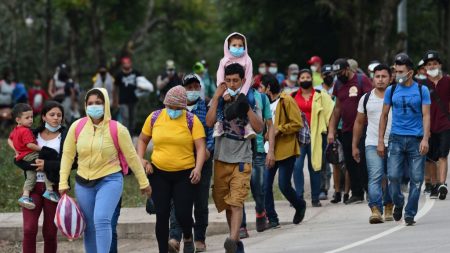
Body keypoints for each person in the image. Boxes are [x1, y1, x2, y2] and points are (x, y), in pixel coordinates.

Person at [59, 88, 152, 253]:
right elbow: (67, 155)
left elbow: (132, 157)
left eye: (99, 103)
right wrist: (63, 181)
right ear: (85, 105)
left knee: (101, 219)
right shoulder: (77, 127)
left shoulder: (118, 129)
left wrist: (143, 182)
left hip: (110, 180)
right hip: (83, 183)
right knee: (89, 226)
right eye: (90, 103)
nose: (94, 106)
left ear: (106, 104)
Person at [138, 85, 205, 253]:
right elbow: (142, 139)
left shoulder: (191, 120)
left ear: (183, 107)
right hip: (159, 173)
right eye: (170, 107)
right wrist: (141, 159)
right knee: (161, 215)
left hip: (185, 174)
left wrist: (198, 169)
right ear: (165, 104)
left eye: (177, 108)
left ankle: (188, 236)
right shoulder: (154, 117)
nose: (173, 111)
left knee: (183, 214)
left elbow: (201, 148)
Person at [206, 63, 263, 253]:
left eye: (235, 81)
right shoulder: (220, 99)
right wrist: (216, 97)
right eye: (228, 80)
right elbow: (209, 121)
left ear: (243, 81)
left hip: (242, 158)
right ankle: (236, 244)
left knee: (237, 202)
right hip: (221, 158)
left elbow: (259, 127)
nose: (231, 84)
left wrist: (245, 107)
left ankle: (233, 239)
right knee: (226, 204)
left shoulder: (251, 99)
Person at [378, 53, 431, 226]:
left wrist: (425, 139)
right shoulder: (391, 90)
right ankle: (398, 202)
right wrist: (380, 140)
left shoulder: (421, 90)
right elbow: (384, 115)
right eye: (395, 71)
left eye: (401, 71)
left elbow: (426, 115)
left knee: (416, 179)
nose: (397, 74)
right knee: (393, 176)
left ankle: (410, 213)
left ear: (410, 73)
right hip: (396, 139)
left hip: (416, 139)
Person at [12, 101, 67, 253]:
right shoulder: (31, 133)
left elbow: (71, 163)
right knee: (29, 229)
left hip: (53, 187)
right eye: (52, 115)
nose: (56, 118)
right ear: (43, 117)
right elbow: (19, 157)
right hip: (34, 188)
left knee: (50, 233)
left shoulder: (66, 135)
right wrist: (31, 166)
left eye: (59, 115)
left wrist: (47, 165)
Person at [167, 75, 213, 252]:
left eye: (196, 87)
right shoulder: (175, 108)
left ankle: (200, 237)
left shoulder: (206, 107)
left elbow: (211, 132)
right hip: (181, 160)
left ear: (200, 88)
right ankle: (175, 238)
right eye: (189, 87)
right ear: (183, 89)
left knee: (200, 201)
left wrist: (208, 150)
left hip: (203, 160)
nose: (192, 90)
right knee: (177, 201)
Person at [262, 74, 307, 230]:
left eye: (262, 87)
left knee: (283, 185)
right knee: (265, 186)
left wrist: (278, 130)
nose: (260, 90)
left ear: (268, 87)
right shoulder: (265, 103)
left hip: (286, 149)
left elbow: (297, 123)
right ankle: (272, 218)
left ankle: (299, 205)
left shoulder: (286, 100)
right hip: (269, 150)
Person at [352, 64, 393, 224]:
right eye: (378, 76)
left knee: (392, 177)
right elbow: (359, 122)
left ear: (390, 79)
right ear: (372, 79)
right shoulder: (366, 98)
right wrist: (355, 146)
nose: (381, 80)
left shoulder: (396, 96)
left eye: (384, 76)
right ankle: (375, 209)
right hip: (372, 143)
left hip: (394, 143)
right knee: (375, 176)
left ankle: (389, 203)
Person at [327, 58, 372, 204]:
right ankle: (357, 193)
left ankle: (370, 190)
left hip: (364, 127)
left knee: (364, 160)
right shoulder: (338, 84)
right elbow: (337, 108)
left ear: (348, 69)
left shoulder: (362, 80)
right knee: (350, 162)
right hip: (346, 129)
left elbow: (370, 102)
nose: (338, 75)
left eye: (340, 72)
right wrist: (332, 130)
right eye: (336, 73)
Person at [292, 69, 334, 207]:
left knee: (315, 166)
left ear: (312, 79)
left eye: (307, 77)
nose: (305, 79)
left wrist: (331, 133)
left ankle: (315, 198)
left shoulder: (321, 95)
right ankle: (298, 197)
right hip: (298, 136)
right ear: (298, 80)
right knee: (297, 166)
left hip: (316, 135)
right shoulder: (292, 97)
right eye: (302, 77)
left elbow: (331, 113)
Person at [240, 77, 276, 237]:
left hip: (259, 149)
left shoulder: (261, 97)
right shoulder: (231, 97)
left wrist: (271, 150)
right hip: (239, 150)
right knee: (238, 188)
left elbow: (270, 124)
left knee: (258, 186)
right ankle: (241, 226)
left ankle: (261, 212)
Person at [8, 103, 59, 209]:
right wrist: (43, 149)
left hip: (23, 156)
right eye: (27, 118)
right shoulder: (26, 130)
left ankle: (25, 196)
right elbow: (30, 145)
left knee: (31, 175)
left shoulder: (16, 129)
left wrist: (16, 151)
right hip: (31, 154)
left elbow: (9, 140)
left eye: (31, 117)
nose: (30, 120)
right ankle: (49, 190)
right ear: (18, 120)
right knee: (46, 165)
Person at [422, 50, 450, 200]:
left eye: (434, 63)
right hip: (428, 126)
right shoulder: (421, 84)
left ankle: (442, 184)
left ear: (439, 64)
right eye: (429, 64)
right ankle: (433, 185)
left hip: (445, 124)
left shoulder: (447, 81)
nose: (432, 66)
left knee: (443, 155)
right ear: (425, 67)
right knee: (430, 158)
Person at [113, 57, 153, 134]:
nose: (126, 65)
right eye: (125, 63)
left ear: (130, 63)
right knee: (125, 117)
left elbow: (143, 82)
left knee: (133, 118)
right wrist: (115, 100)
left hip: (134, 99)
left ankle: (131, 135)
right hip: (122, 100)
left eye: (128, 63)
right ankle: (125, 135)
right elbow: (115, 88)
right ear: (122, 65)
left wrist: (144, 89)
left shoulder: (136, 73)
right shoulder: (119, 75)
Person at [216, 32, 253, 98]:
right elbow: (220, 79)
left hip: (245, 90)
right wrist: (225, 93)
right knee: (217, 102)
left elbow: (248, 78)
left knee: (251, 100)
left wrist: (242, 94)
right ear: (228, 47)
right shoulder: (223, 61)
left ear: (244, 47)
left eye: (240, 45)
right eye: (234, 45)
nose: (237, 47)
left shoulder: (248, 60)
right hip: (227, 90)